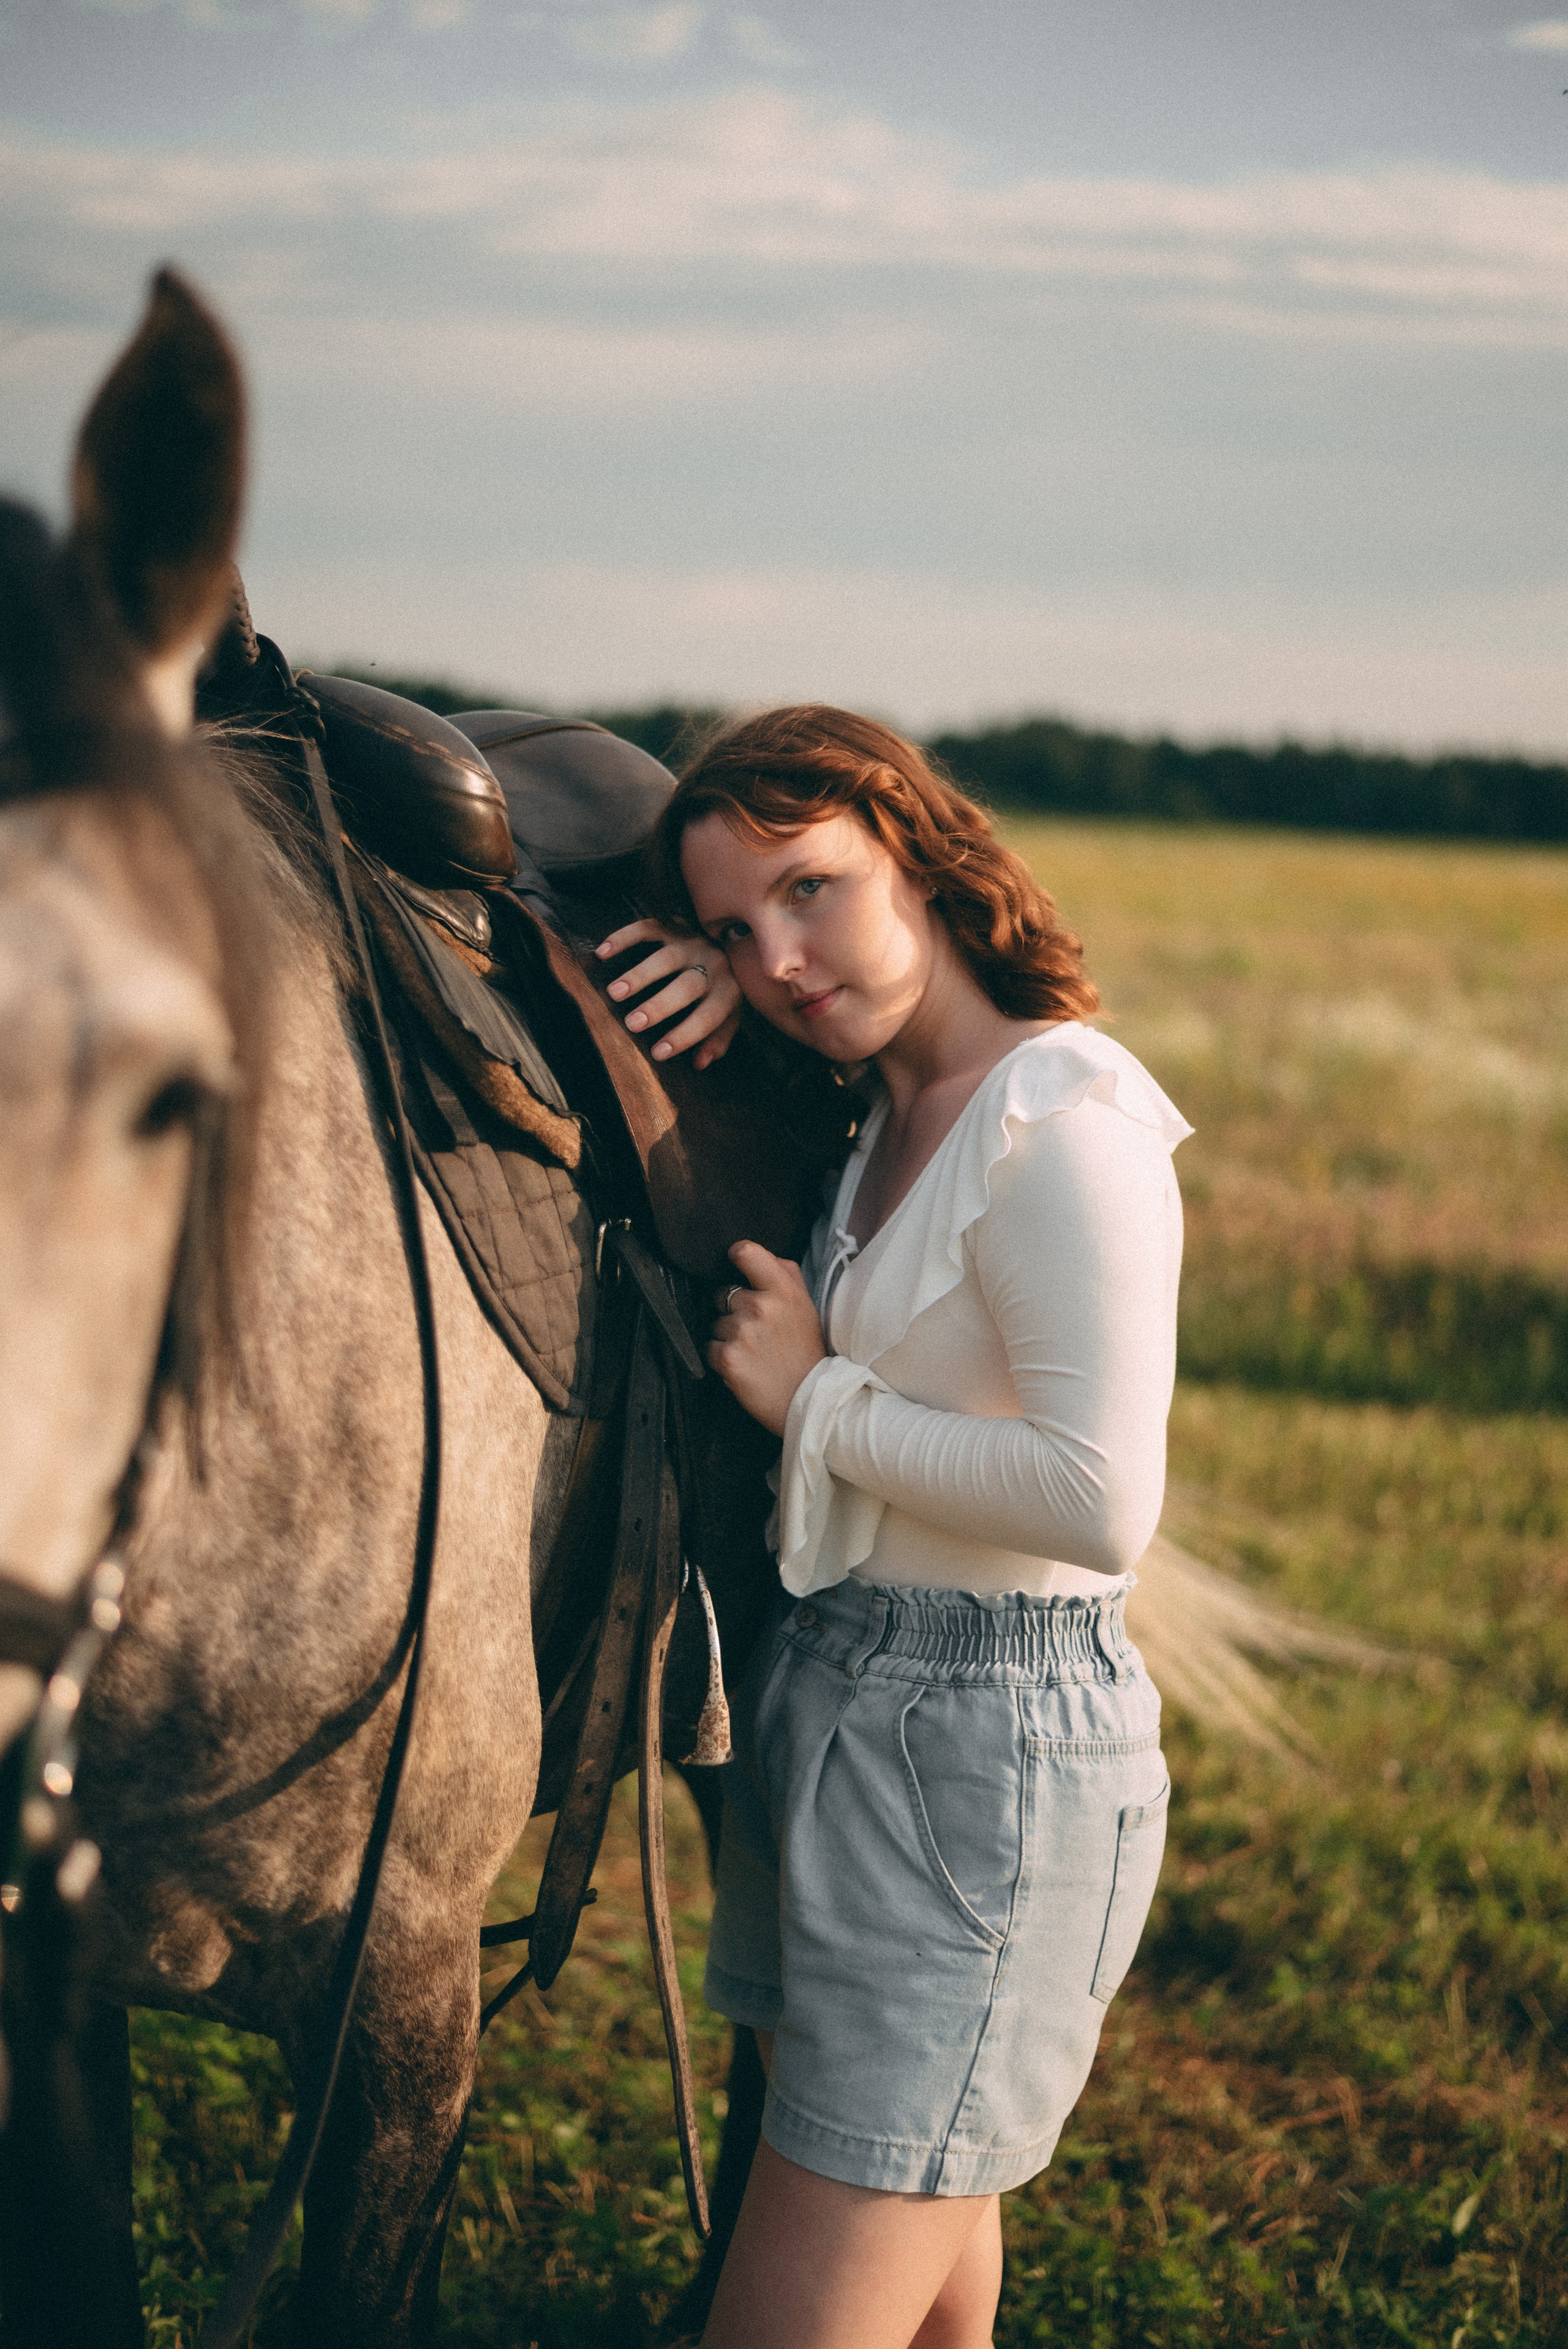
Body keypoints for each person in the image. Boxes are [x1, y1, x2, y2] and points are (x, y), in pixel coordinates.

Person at [601, 706, 1189, 2349]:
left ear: (916, 847)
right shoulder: (878, 1112)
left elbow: (1099, 1499)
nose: (781, 958)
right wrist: (727, 997)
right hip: (840, 1711)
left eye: (811, 888)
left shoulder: (1060, 1122)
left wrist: (817, 1400)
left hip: (988, 1762)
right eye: (734, 927)